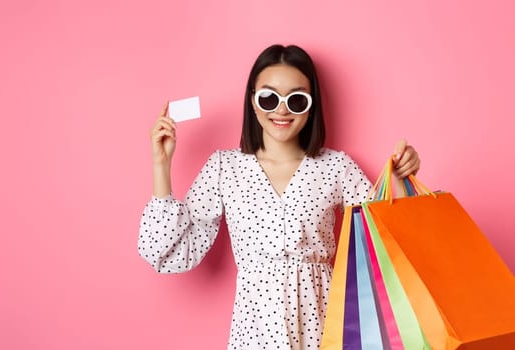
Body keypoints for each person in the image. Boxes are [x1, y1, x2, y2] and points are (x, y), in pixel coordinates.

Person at [138, 44, 421, 350]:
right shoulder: (224, 167)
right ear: (253, 102)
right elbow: (168, 252)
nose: (282, 109)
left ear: (311, 106)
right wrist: (161, 165)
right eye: (269, 97)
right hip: (254, 330)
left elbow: (388, 244)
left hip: (326, 324)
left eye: (296, 99)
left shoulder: (336, 167)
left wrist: (400, 182)